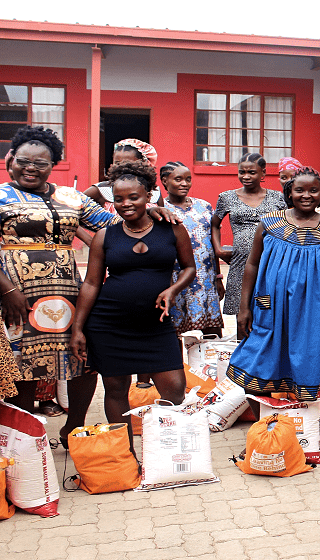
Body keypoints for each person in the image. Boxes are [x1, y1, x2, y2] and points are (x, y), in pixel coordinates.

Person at [0, 126, 175, 445]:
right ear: (11, 160)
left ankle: (74, 427)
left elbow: (119, 221)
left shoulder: (70, 197)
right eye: (24, 160)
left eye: (42, 162)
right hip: (14, 293)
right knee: (22, 363)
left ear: (53, 164)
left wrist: (151, 211)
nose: (31, 168)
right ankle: (26, 437)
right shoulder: (0, 196)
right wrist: (7, 291)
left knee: (82, 359)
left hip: (68, 293)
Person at [70, 162, 195, 451]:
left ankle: (169, 452)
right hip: (109, 324)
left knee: (175, 388)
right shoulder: (105, 236)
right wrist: (78, 328)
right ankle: (126, 454)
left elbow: (189, 268)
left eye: (133, 197)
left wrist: (173, 290)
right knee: (115, 389)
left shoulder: (172, 229)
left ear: (149, 196)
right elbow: (91, 283)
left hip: (156, 325)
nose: (125, 204)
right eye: (118, 198)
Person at [227, 167, 320, 400]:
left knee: (310, 356)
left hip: (316, 309)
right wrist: (244, 308)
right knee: (259, 356)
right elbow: (252, 265)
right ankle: (265, 422)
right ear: (289, 193)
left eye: (313, 191)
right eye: (300, 190)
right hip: (272, 306)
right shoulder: (268, 223)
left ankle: (302, 425)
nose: (306, 195)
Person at [211, 153, 286, 318]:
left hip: (269, 265)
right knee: (242, 314)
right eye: (241, 172)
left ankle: (263, 343)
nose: (246, 176)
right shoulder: (226, 197)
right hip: (240, 265)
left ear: (263, 174)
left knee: (265, 311)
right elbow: (215, 224)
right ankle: (242, 343)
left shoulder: (278, 198)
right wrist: (219, 250)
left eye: (252, 172)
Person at [160, 161, 225, 337]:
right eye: (178, 179)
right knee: (174, 332)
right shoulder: (161, 210)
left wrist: (218, 278)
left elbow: (212, 245)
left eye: (188, 179)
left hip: (205, 278)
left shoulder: (204, 207)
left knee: (212, 331)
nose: (184, 184)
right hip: (177, 279)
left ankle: (211, 364)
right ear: (165, 181)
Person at [82, 138, 162, 213]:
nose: (121, 167)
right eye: (117, 163)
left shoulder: (155, 192)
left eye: (128, 163)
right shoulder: (102, 190)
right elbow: (72, 209)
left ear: (143, 164)